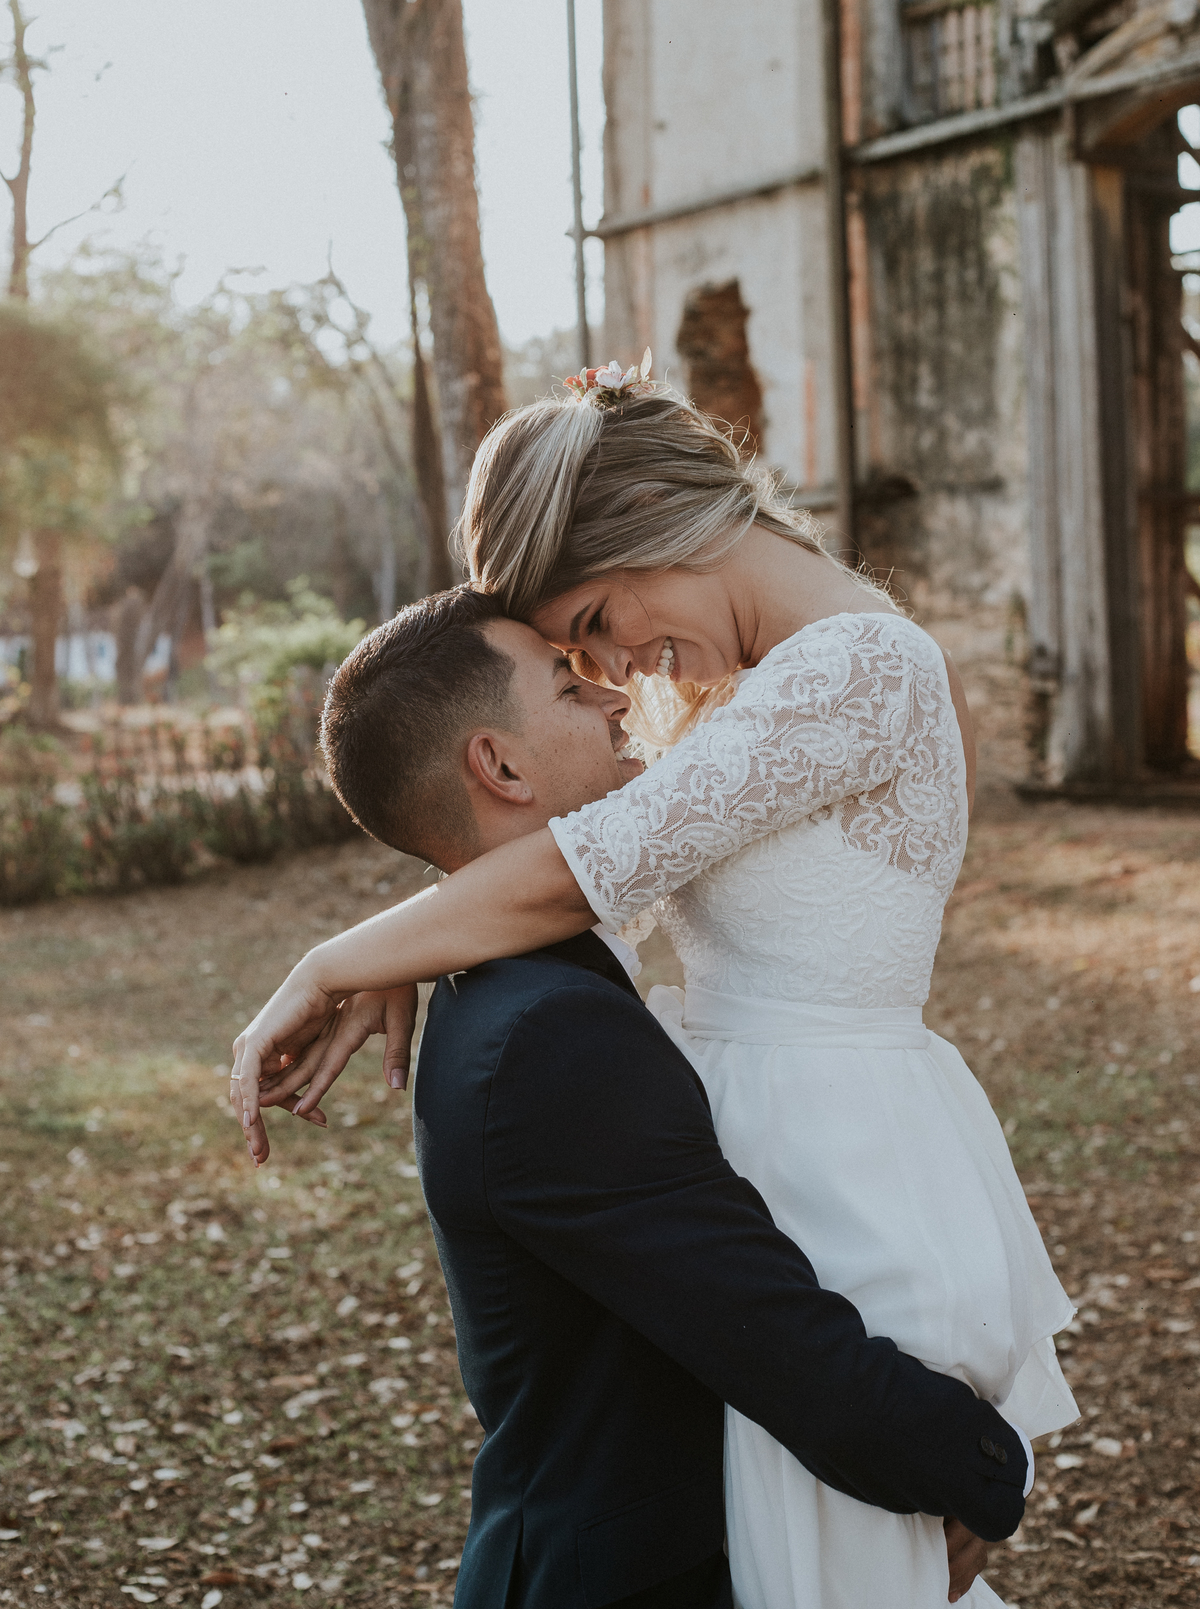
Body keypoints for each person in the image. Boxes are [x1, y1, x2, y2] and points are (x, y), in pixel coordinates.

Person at [231, 369, 1078, 1608]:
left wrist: (340, 958)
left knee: (851, 1546)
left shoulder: (859, 665)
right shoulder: (742, 687)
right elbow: (549, 845)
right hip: (750, 1144)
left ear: (645, 531)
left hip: (835, 1150)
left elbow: (584, 867)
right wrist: (424, 942)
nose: (618, 668)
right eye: (578, 657)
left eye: (594, 621)